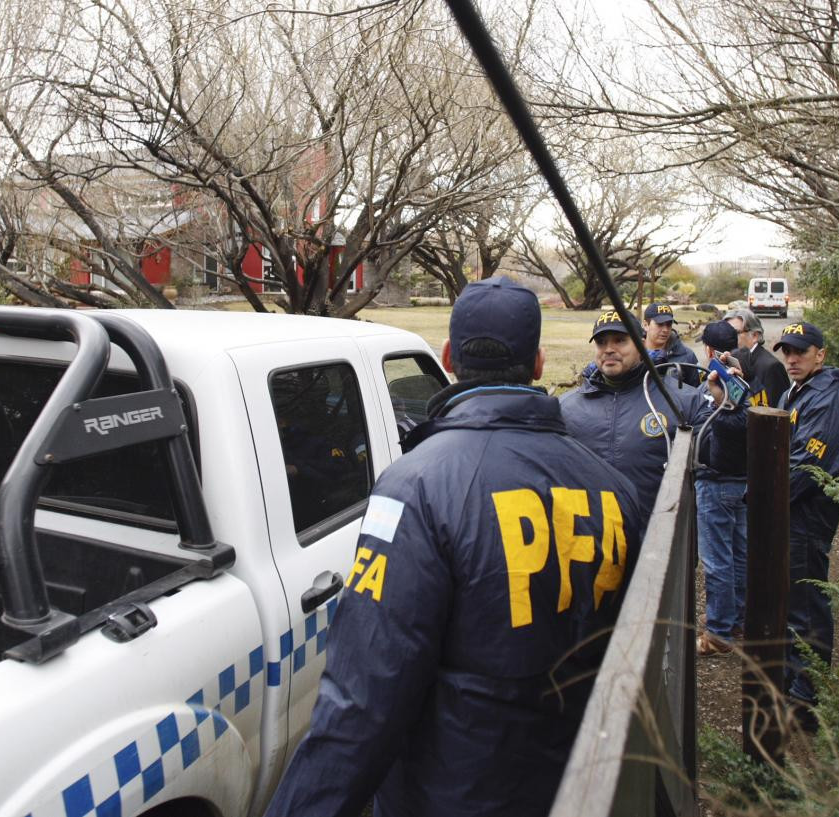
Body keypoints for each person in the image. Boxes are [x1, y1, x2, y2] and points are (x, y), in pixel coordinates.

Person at [265, 277, 647, 817]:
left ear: (448, 357)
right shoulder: (615, 487)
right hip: (583, 781)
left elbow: (363, 702)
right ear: (537, 363)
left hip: (453, 795)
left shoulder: (415, 487)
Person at [773, 321, 839, 712]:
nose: (792, 359)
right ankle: (793, 678)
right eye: (787, 351)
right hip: (790, 514)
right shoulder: (798, 391)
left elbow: (805, 466)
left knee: (806, 602)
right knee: (791, 599)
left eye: (801, 352)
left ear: (820, 355)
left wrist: (763, 499)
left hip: (807, 517)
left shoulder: (827, 400)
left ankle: (807, 695)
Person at [561, 309, 707, 516]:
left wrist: (731, 412)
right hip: (593, 538)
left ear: (641, 344)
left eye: (620, 340)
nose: (609, 349)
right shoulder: (566, 407)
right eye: (601, 342)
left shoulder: (681, 400)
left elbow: (718, 456)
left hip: (656, 536)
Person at [695, 321, 750, 656]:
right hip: (741, 481)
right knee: (738, 554)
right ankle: (735, 618)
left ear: (709, 351)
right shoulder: (742, 378)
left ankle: (718, 632)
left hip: (718, 481)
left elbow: (731, 424)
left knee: (717, 560)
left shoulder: (720, 383)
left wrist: (717, 401)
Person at [722, 307, 790, 408]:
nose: (728, 337)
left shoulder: (771, 367)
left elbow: (776, 412)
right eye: (725, 333)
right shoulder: (729, 360)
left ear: (754, 336)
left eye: (735, 333)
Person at [643, 301, 700, 385]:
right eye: (660, 324)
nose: (665, 330)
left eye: (669, 324)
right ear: (645, 325)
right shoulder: (632, 353)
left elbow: (697, 392)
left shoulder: (687, 356)